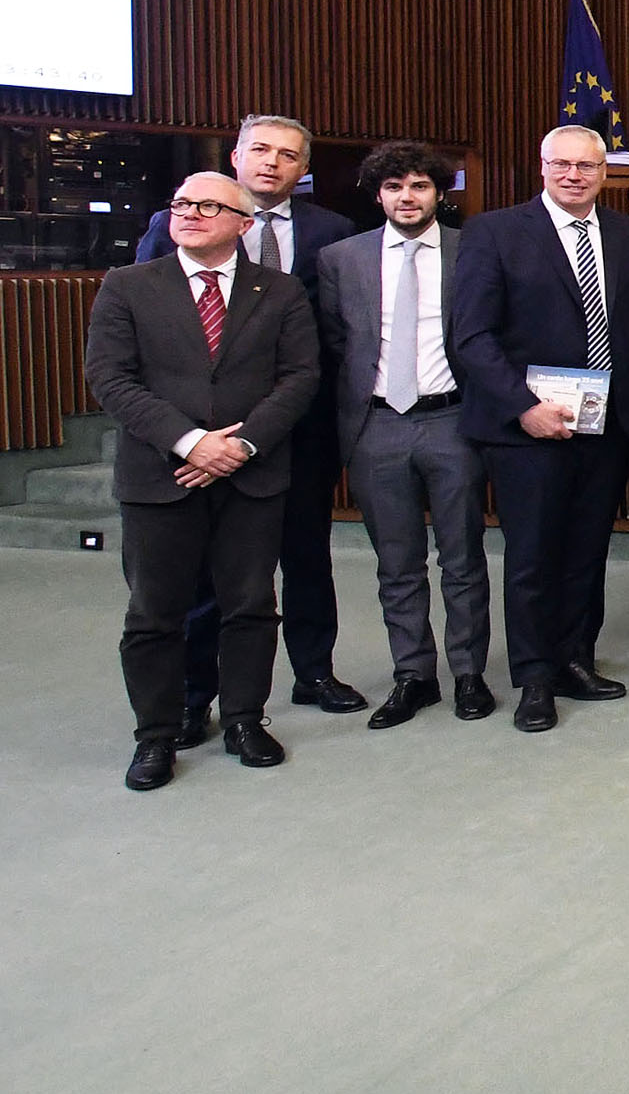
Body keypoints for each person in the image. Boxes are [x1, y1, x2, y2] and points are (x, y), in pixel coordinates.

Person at [89, 172, 322, 788]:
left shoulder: (280, 291)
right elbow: (111, 379)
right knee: (155, 613)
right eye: (182, 204)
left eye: (209, 206)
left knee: (249, 606)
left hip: (252, 475)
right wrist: (193, 442)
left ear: (244, 223)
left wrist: (241, 445)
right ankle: (157, 736)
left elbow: (299, 377)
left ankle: (245, 718)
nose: (191, 213)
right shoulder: (128, 285)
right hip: (160, 476)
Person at [134, 115, 362, 720]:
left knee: (307, 554)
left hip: (298, 423)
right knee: (210, 569)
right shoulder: (172, 225)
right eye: (260, 150)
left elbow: (337, 332)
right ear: (236, 156)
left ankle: (314, 672)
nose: (271, 163)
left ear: (302, 170)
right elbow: (154, 327)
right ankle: (194, 695)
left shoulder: (332, 231)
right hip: (204, 430)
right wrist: (192, 434)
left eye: (288, 156)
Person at [445, 124, 629, 735]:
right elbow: (472, 336)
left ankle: (575, 659)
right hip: (527, 429)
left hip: (608, 422)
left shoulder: (627, 236)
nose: (574, 175)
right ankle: (534, 678)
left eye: (587, 166)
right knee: (534, 555)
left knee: (587, 550)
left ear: (605, 173)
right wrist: (523, 406)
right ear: (541, 166)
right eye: (562, 164)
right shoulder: (494, 231)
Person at [314, 144, 492, 730]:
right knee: (397, 562)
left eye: (419, 186)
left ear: (440, 193)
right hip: (377, 424)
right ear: (378, 194)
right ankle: (413, 675)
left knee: (463, 558)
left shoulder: (473, 253)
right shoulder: (341, 258)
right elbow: (338, 345)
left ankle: (469, 673)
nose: (407, 197)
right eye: (395, 187)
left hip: (452, 421)